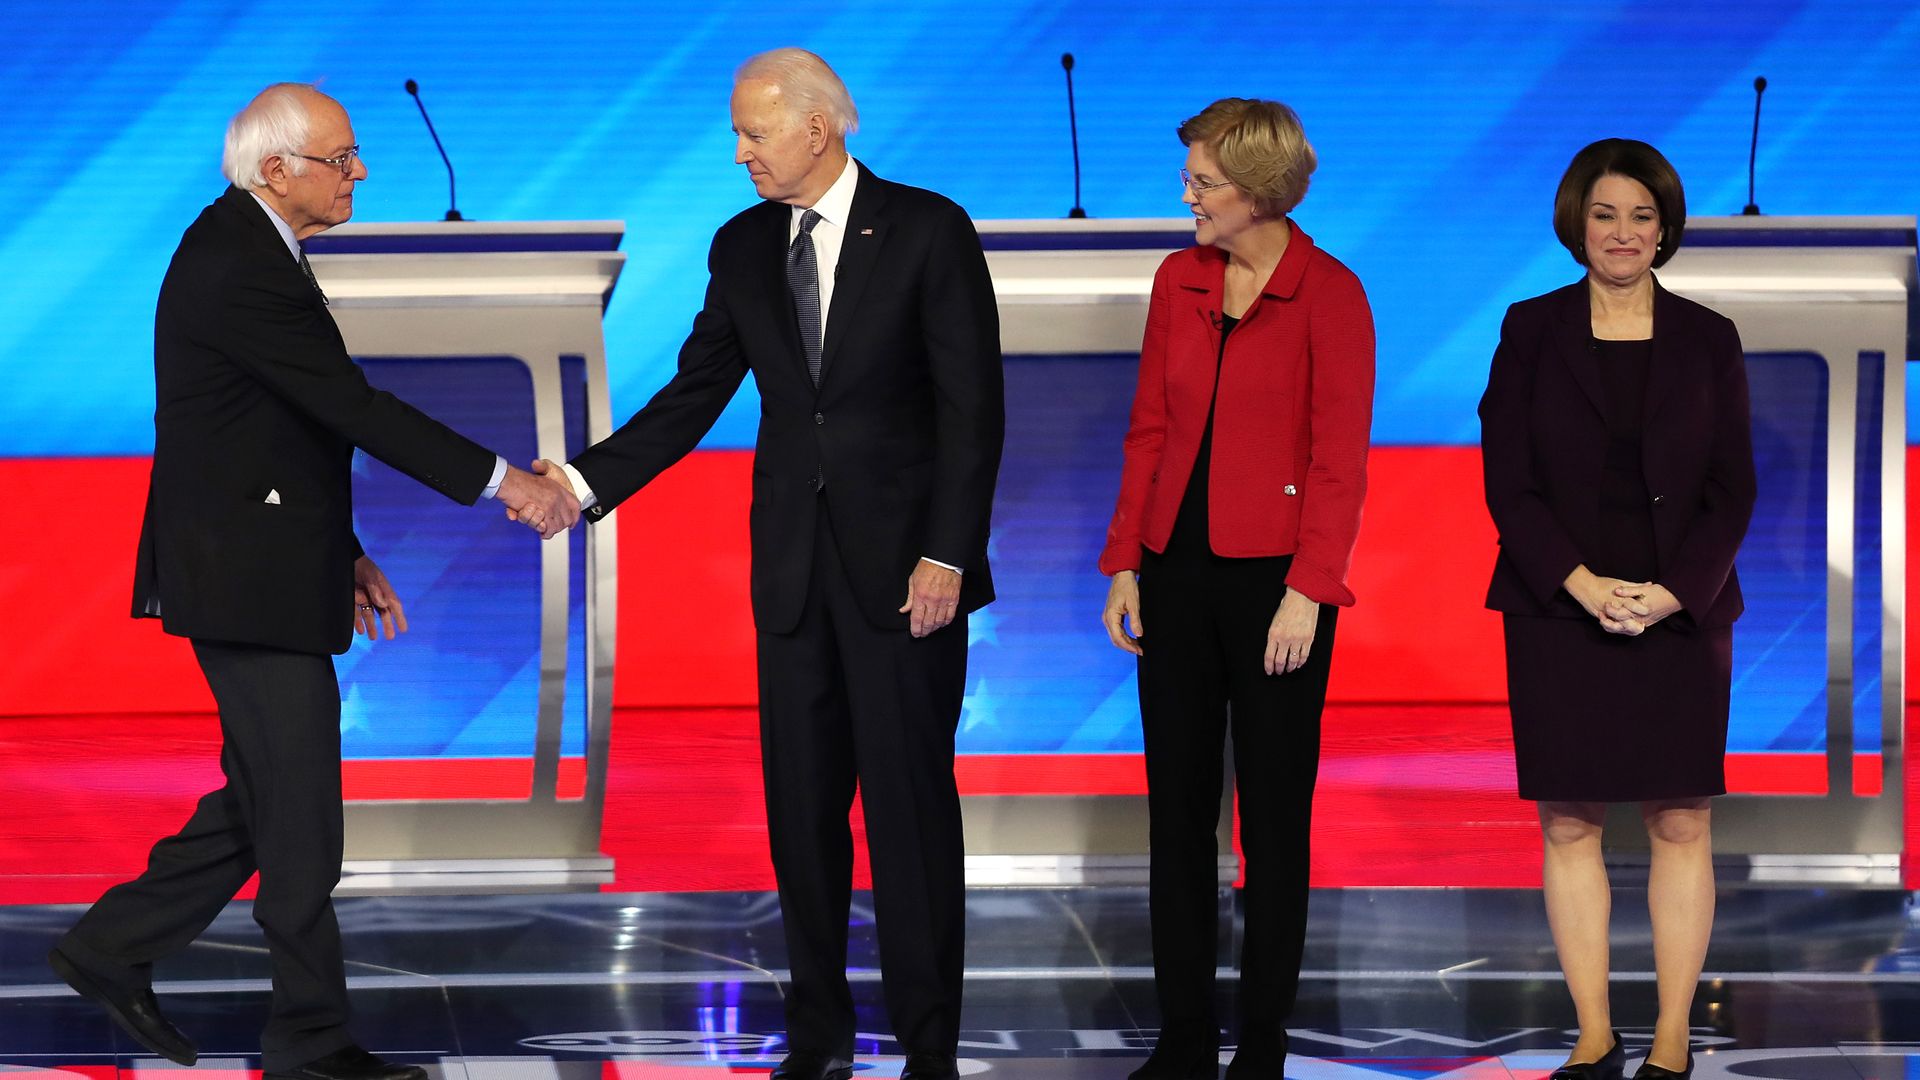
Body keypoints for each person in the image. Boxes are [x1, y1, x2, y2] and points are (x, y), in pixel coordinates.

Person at [48, 83, 578, 1079]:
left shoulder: (251, 248)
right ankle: (309, 1042)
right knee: (300, 817)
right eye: (342, 156)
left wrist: (342, 548)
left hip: (260, 562)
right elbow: (349, 407)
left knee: (268, 796)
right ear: (276, 169)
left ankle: (111, 946)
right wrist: (511, 483)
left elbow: (277, 431)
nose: (361, 172)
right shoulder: (237, 260)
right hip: (240, 578)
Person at [537, 48, 1002, 1080]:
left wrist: (948, 556)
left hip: (906, 577)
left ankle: (931, 1049)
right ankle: (820, 1039)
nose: (740, 152)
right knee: (803, 818)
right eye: (738, 133)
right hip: (793, 575)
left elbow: (975, 413)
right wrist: (580, 484)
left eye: (754, 132)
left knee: (910, 816)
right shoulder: (745, 245)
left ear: (818, 130)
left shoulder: (928, 229)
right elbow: (695, 392)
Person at [1099, 98, 1375, 1080]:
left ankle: (1262, 1043)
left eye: (1203, 183)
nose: (1188, 198)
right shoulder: (1180, 280)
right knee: (1177, 818)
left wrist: (1311, 591)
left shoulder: (1330, 295)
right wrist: (1126, 559)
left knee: (1272, 819)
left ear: (1259, 191)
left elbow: (1340, 463)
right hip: (1174, 575)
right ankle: (1182, 1040)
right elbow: (1148, 429)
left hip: (1278, 592)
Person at [1477, 138, 1756, 1080]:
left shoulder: (1710, 338)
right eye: (1606, 215)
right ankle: (1594, 1035)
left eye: (1642, 216)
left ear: (1665, 228)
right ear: (1576, 223)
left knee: (1681, 819)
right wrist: (1583, 584)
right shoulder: (1529, 328)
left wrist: (1676, 591)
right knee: (1569, 821)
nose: (1623, 233)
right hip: (1561, 606)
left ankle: (1672, 1039)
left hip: (1682, 609)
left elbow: (1734, 488)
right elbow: (1509, 484)